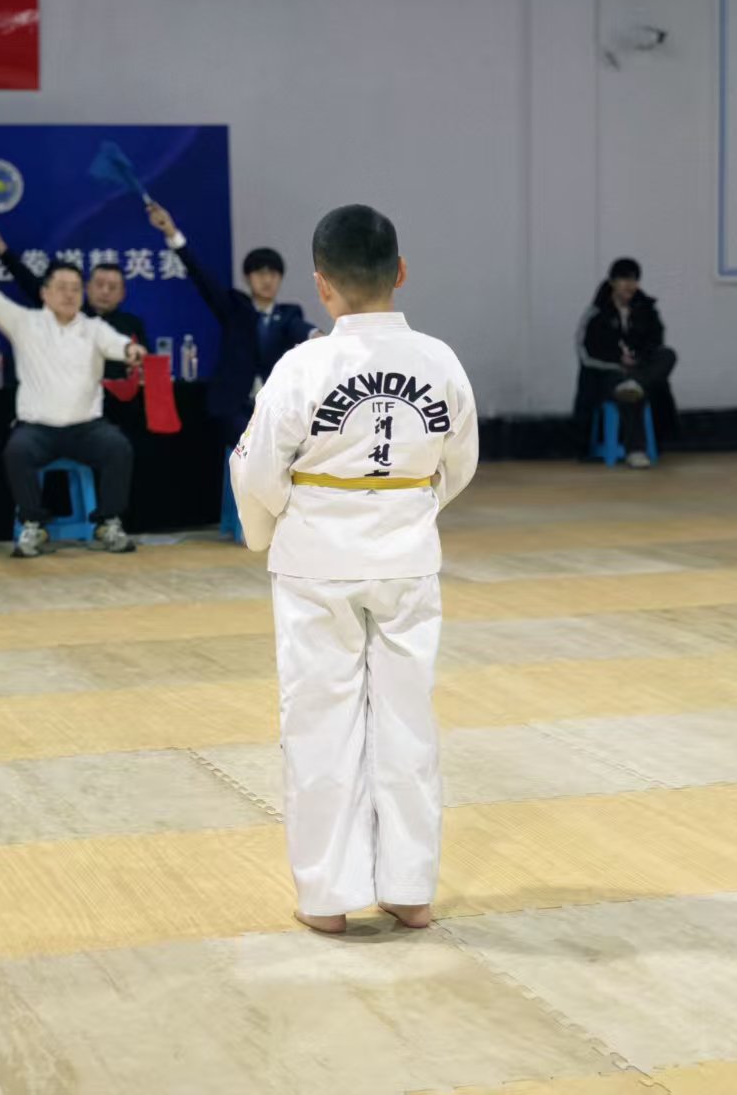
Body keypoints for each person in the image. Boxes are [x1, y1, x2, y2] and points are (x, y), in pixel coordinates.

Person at [231, 204, 478, 935]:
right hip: (406, 560)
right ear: (400, 272)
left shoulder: (302, 366)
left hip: (317, 562)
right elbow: (459, 462)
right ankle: (409, 890)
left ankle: (326, 897)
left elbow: (258, 468)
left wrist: (282, 524)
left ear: (321, 284)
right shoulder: (440, 360)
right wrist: (407, 507)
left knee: (319, 721)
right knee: (407, 721)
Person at [0, 222, 146, 557]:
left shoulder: (94, 328)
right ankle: (33, 525)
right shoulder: (24, 323)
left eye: (75, 289)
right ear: (45, 293)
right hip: (37, 430)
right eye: (61, 287)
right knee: (16, 451)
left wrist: (131, 351)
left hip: (87, 428)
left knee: (118, 447)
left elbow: (119, 344)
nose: (69, 295)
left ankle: (108, 523)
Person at [148, 203, 319, 535]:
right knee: (255, 444)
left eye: (273, 274)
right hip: (232, 407)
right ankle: (257, 519)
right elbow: (201, 277)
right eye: (259, 273)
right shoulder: (234, 307)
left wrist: (316, 336)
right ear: (248, 278)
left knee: (303, 442)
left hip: (273, 409)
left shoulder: (288, 314)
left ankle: (293, 516)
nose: (266, 279)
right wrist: (172, 234)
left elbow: (300, 328)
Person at [0, 225, 147, 378]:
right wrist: (1, 250)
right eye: (99, 284)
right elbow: (29, 282)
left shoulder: (132, 325)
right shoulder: (67, 312)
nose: (105, 291)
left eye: (112, 287)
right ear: (87, 288)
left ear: (123, 294)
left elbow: (146, 367)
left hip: (119, 399)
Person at [574, 258, 677, 468]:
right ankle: (636, 450)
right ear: (612, 282)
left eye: (634, 280)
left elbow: (656, 341)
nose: (630, 285)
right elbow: (586, 352)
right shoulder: (596, 313)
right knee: (626, 388)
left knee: (667, 355)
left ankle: (636, 382)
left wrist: (638, 359)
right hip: (607, 373)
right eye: (624, 279)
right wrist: (618, 361)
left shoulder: (647, 310)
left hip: (639, 370)